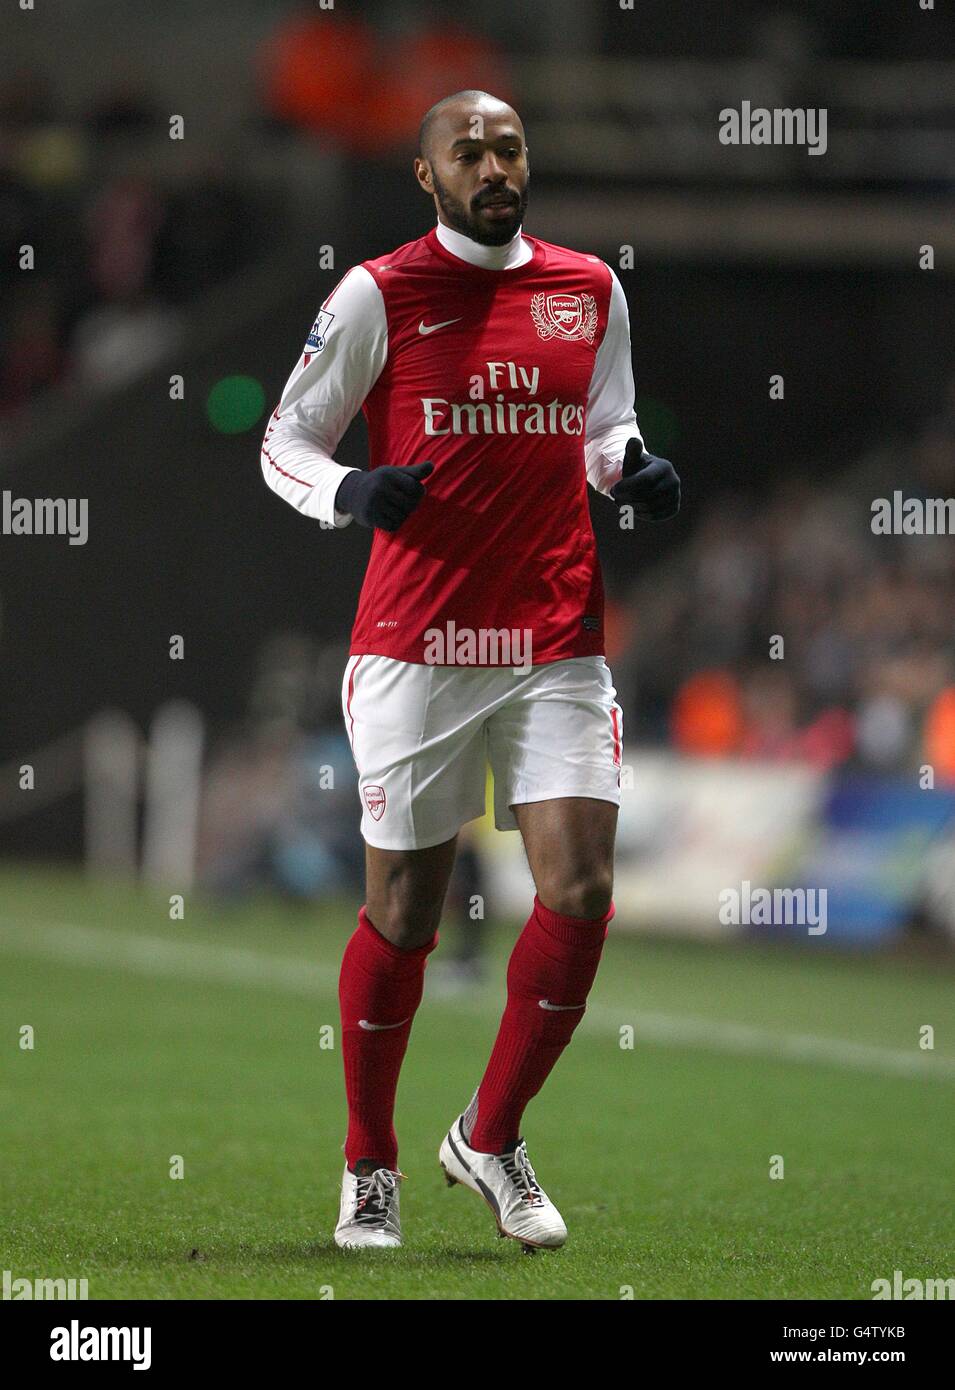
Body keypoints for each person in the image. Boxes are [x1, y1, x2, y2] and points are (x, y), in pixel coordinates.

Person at [261, 90, 680, 1252]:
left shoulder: (588, 289)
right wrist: (349, 489)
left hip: (553, 638)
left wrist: (628, 469)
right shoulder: (378, 295)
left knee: (582, 887)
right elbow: (285, 438)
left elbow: (604, 426)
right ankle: (368, 1161)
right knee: (404, 909)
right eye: (469, 152)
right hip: (418, 645)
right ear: (425, 174)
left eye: (508, 148)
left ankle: (489, 1135)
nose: (493, 167)